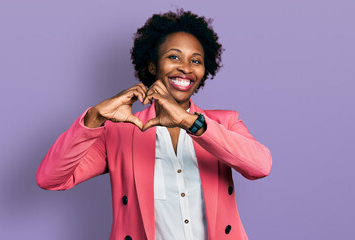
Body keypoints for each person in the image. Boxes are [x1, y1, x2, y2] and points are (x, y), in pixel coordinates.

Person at [36, 9, 272, 240]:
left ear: (203, 70)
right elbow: (50, 178)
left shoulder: (224, 122)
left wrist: (190, 123)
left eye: (196, 60)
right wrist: (94, 118)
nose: (186, 68)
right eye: (174, 57)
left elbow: (261, 166)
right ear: (152, 66)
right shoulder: (119, 133)